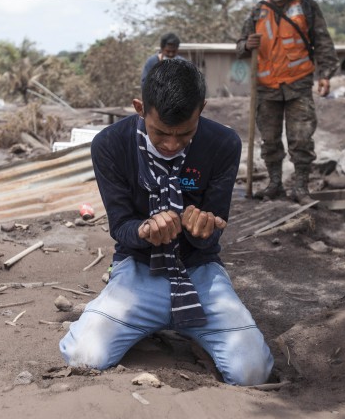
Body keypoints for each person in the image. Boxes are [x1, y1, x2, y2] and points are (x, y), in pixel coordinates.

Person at [60, 59, 273, 386]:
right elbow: (121, 228)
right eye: (160, 132)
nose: (172, 145)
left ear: (202, 109)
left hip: (198, 271)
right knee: (84, 357)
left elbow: (211, 235)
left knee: (252, 372)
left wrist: (202, 230)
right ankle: (143, 318)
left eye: (185, 134)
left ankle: (163, 324)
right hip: (139, 267)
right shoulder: (110, 145)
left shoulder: (223, 144)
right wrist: (145, 231)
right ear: (139, 108)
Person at [237, 0, 339, 204]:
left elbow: (322, 41)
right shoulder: (257, 11)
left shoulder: (307, 7)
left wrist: (325, 74)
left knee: (301, 138)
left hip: (298, 84)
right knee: (270, 139)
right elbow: (240, 46)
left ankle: (301, 187)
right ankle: (275, 185)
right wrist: (246, 45)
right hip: (266, 88)